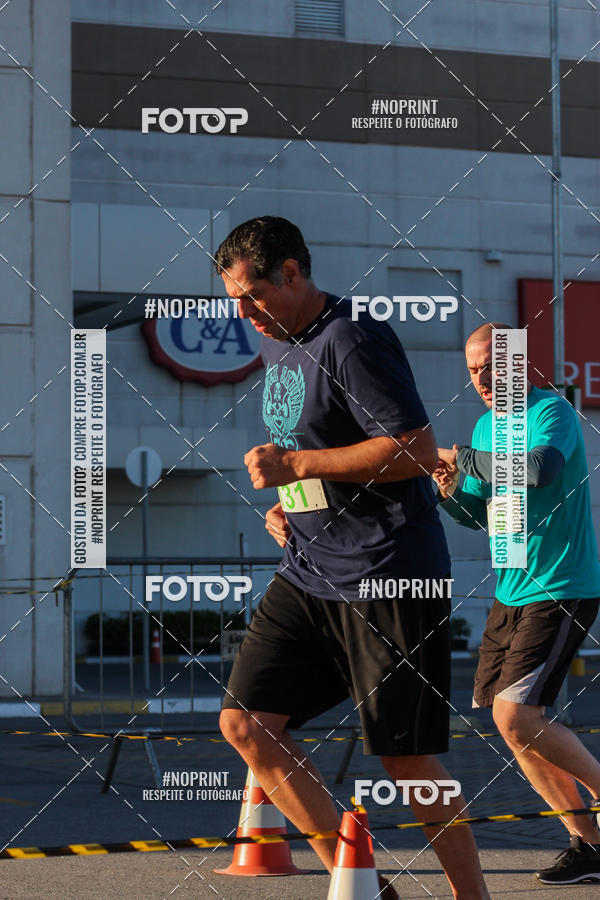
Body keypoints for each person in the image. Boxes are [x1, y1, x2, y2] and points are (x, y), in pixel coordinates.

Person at [214, 216, 490, 899]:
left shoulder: (352, 337)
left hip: (389, 574)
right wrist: (292, 498)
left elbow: (416, 451)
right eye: (233, 299)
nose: (243, 313)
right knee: (247, 725)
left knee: (403, 756)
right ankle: (368, 885)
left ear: (293, 273)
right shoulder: (280, 346)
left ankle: (472, 897)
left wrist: (297, 462)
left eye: (253, 295)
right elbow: (317, 453)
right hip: (309, 571)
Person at [433, 321, 600, 885]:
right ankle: (589, 843)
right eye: (472, 370)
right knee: (512, 727)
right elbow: (488, 516)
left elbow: (536, 470)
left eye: (490, 366)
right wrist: (451, 490)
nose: (480, 378)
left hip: (561, 585)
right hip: (511, 591)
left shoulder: (552, 411)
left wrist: (470, 464)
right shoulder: (485, 426)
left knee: (517, 714)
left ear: (520, 366)